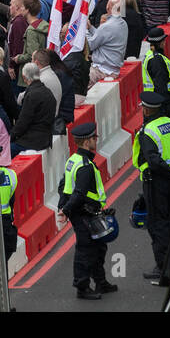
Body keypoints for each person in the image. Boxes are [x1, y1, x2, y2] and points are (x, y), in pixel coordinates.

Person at [59, 122, 116, 300]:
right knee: (86, 250)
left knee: (99, 247)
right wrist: (66, 210)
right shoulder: (85, 166)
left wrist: (64, 205)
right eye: (94, 138)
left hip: (85, 211)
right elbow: (79, 193)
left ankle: (101, 282)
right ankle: (82, 287)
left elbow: (63, 186)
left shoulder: (73, 160)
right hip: (84, 213)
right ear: (86, 142)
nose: (96, 141)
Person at [133, 91, 170, 281]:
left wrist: (169, 172)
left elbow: (153, 161)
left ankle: (163, 267)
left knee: (156, 225)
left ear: (146, 109)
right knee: (167, 220)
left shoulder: (148, 131)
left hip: (156, 182)